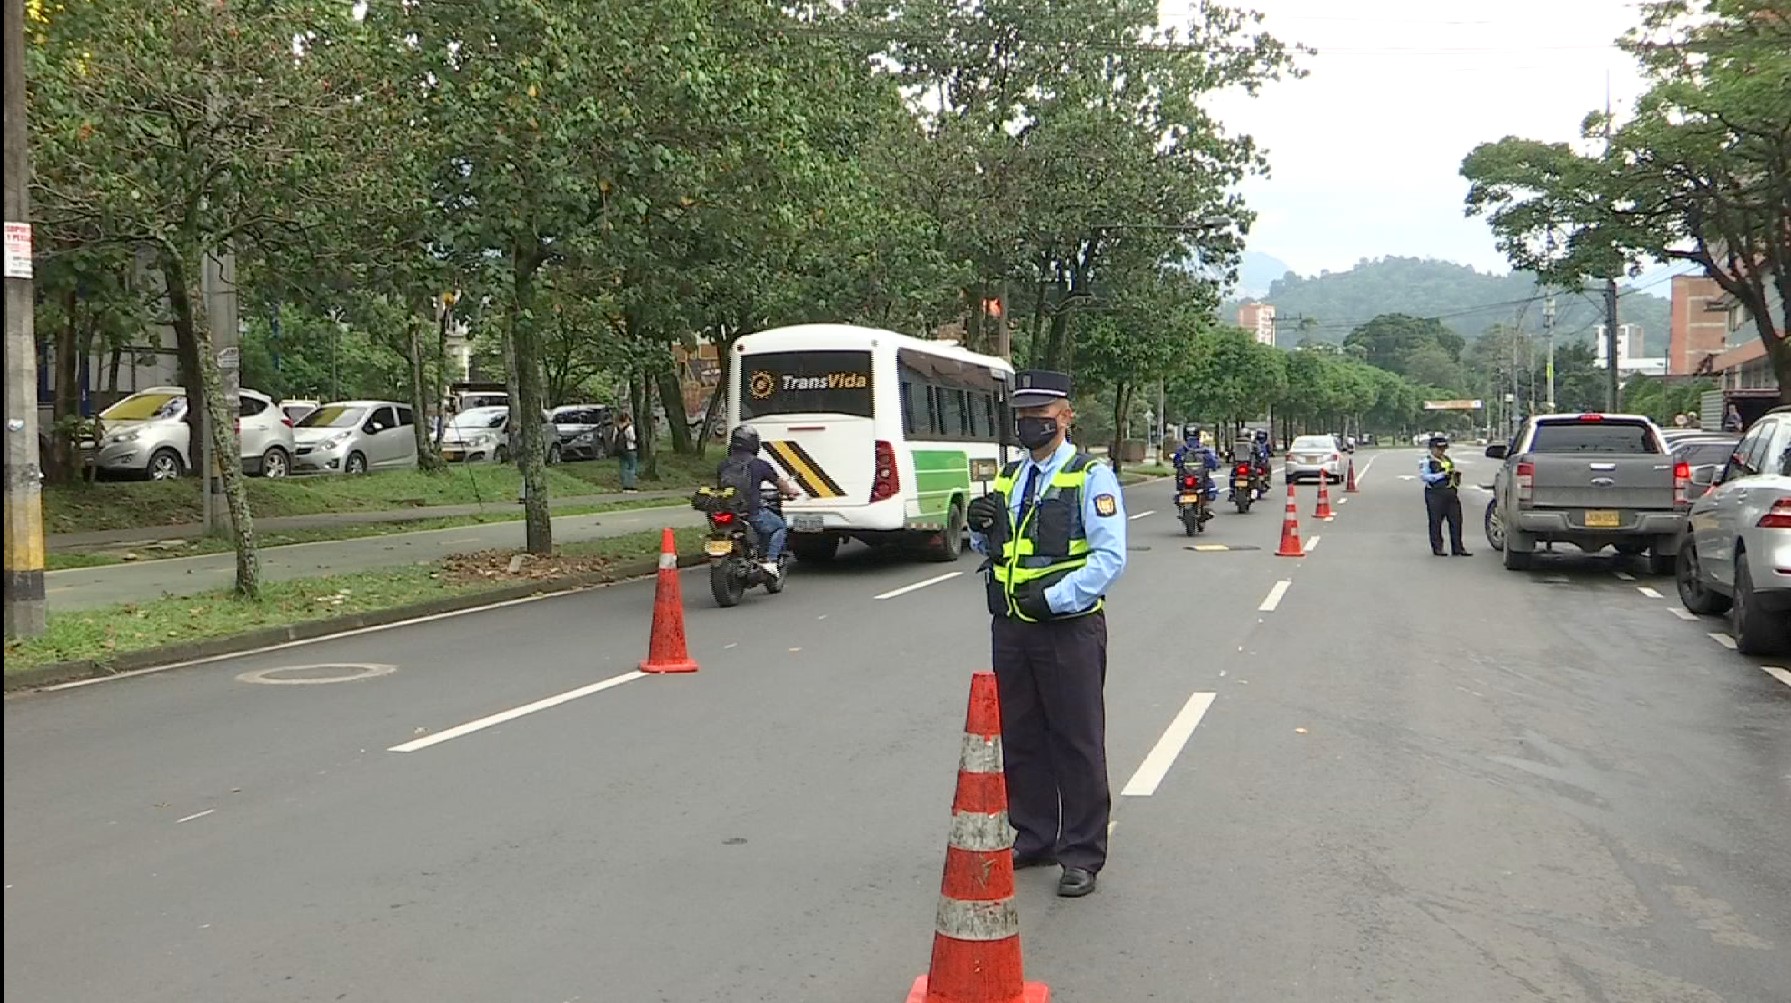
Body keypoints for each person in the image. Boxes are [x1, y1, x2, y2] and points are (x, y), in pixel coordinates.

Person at [965, 370, 1127, 899]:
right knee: (1022, 736)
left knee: (1076, 740)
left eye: (1041, 413)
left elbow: (1109, 559)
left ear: (1065, 417)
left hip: (1068, 629)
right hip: (1012, 627)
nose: (1029, 422)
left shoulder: (1091, 476)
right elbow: (995, 548)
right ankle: (1033, 836)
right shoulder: (1011, 478)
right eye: (1022, 414)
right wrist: (977, 526)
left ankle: (1081, 853)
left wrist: (1054, 598)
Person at [717, 425, 799, 575]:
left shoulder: (723, 464)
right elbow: (780, 483)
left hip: (726, 511)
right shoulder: (759, 464)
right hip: (751, 513)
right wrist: (791, 492)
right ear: (753, 444)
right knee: (779, 526)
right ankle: (771, 561)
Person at [1420, 434, 1471, 557]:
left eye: (1443, 449)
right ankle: (1438, 548)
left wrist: (1455, 476)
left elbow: (1451, 472)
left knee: (1456, 520)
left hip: (1450, 493)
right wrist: (1442, 475)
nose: (1441, 451)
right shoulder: (1427, 460)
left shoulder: (1446, 459)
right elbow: (1425, 477)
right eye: (1439, 449)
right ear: (1432, 448)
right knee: (1436, 521)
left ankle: (1458, 547)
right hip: (1434, 494)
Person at [1171, 424, 1220, 502]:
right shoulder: (1203, 449)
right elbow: (1212, 462)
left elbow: (1176, 462)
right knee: (1211, 489)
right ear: (1198, 435)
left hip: (1185, 480)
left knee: (1179, 488)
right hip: (1201, 480)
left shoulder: (1182, 449)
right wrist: (1215, 466)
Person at [615, 412, 639, 492]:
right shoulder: (629, 428)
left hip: (621, 450)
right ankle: (631, 485)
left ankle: (624, 486)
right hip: (630, 449)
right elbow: (633, 438)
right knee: (632, 467)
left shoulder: (617, 428)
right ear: (627, 419)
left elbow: (613, 439)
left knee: (623, 467)